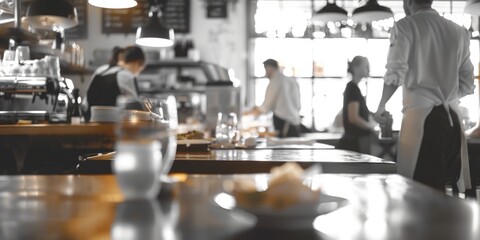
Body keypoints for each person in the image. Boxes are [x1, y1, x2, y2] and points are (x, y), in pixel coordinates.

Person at [374, 0, 475, 192]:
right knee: (442, 186)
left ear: (408, 1)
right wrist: (448, 95)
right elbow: (468, 83)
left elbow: (395, 74)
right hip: (452, 121)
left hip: (422, 122)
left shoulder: (405, 26)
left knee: (419, 190)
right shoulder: (459, 31)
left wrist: (381, 106)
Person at [84, 46, 146, 121]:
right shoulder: (126, 75)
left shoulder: (100, 70)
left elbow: (85, 102)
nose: (138, 74)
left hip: (90, 122)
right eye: (140, 69)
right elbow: (136, 106)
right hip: (111, 126)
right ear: (137, 63)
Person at [244, 59, 301, 138]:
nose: (265, 73)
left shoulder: (275, 81)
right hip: (295, 125)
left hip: (284, 126)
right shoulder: (291, 80)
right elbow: (298, 106)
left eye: (265, 70)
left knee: (284, 150)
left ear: (269, 68)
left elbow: (265, 107)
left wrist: (245, 114)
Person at [336, 56, 376, 154]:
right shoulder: (352, 88)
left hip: (357, 141)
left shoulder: (354, 88)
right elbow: (353, 118)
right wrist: (370, 127)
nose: (369, 69)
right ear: (356, 68)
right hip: (354, 143)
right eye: (366, 66)